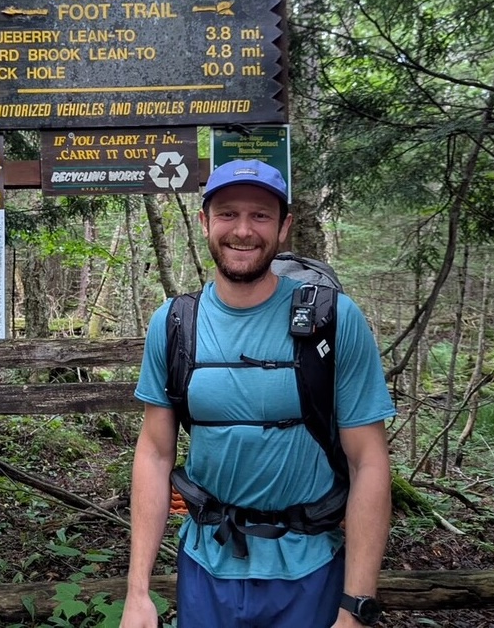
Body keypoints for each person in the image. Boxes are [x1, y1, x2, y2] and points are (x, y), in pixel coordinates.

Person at [120, 159, 395, 628]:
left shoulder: (334, 320)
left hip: (310, 566)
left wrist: (355, 608)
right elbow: (154, 453)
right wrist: (138, 592)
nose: (243, 230)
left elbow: (368, 461)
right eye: (227, 214)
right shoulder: (174, 323)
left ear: (284, 227)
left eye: (261, 215)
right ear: (205, 222)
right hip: (206, 566)